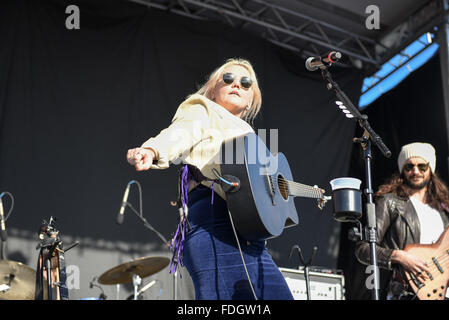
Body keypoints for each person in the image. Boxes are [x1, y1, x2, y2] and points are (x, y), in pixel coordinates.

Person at [126, 58, 294, 300]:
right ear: (214, 90)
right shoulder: (203, 109)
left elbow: (267, 199)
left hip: (252, 240)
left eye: (246, 83)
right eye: (228, 79)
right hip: (215, 223)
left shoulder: (250, 137)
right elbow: (180, 133)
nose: (236, 84)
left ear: (251, 100)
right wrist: (152, 150)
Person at [355, 142, 449, 299]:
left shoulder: (443, 211)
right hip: (405, 293)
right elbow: (363, 249)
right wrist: (398, 256)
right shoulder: (390, 203)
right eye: (409, 167)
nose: (415, 171)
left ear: (430, 168)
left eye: (422, 166)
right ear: (402, 171)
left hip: (441, 292)